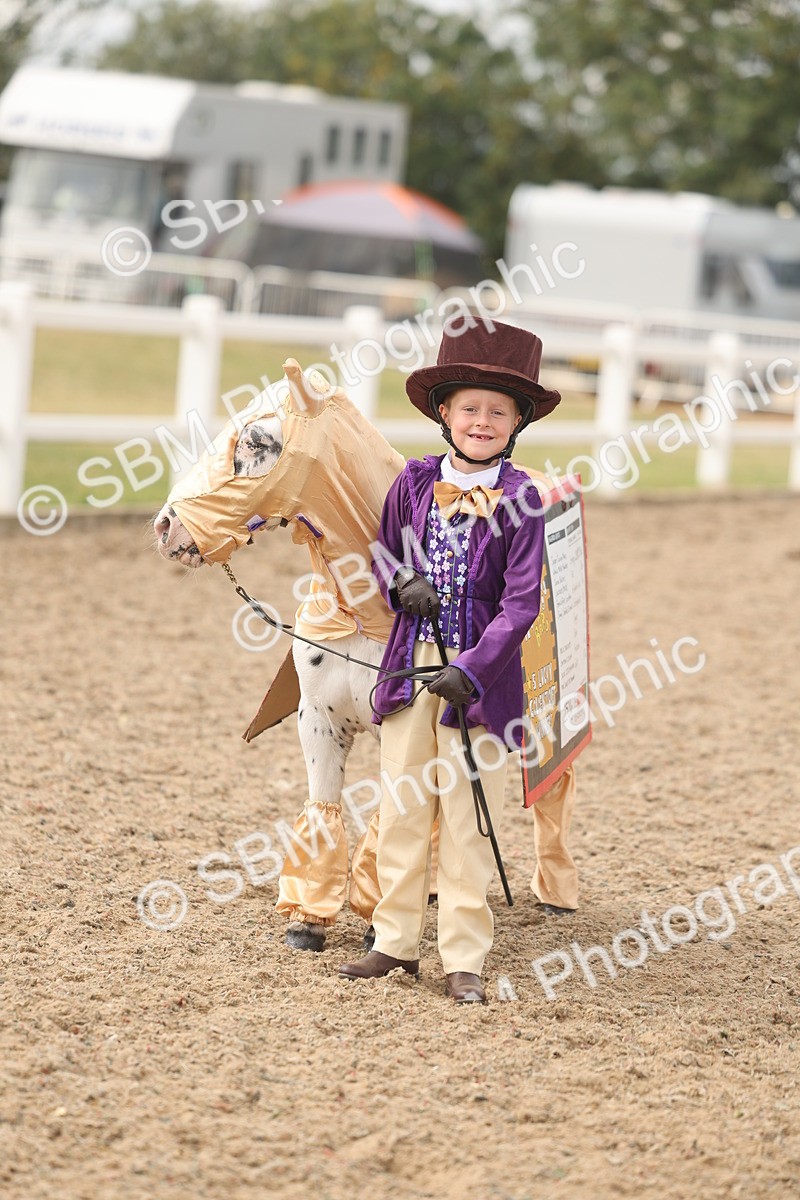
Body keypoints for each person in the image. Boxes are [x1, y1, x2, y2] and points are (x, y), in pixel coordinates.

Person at [339, 317, 561, 1003]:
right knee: (403, 804)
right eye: (470, 408)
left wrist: (474, 668)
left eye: (498, 411)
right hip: (412, 665)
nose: (482, 422)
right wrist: (401, 580)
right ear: (445, 413)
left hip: (479, 679)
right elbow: (384, 552)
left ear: (518, 421)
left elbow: (521, 602)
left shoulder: (522, 500)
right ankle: (393, 943)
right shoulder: (412, 483)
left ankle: (464, 956)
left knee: (467, 816)